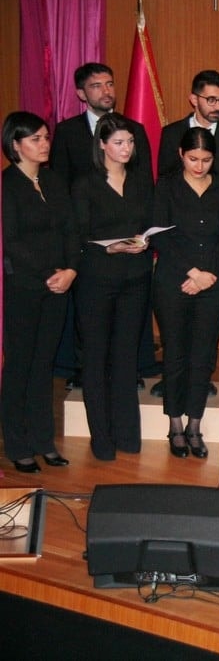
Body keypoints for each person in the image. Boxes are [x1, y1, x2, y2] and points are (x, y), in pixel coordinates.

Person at [50, 62, 154, 391]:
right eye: (97, 85)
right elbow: (60, 187)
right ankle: (86, 370)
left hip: (131, 248)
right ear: (81, 94)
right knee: (90, 322)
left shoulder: (135, 129)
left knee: (128, 321)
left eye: (110, 83)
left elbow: (145, 184)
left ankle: (129, 369)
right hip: (90, 248)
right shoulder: (68, 132)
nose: (106, 90)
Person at [71, 113, 155, 460]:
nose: (126, 148)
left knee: (125, 357)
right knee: (95, 357)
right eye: (118, 142)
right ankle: (101, 437)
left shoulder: (139, 181)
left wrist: (145, 242)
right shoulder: (85, 183)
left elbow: (149, 222)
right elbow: (78, 234)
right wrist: (107, 245)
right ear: (102, 144)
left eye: (131, 142)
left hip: (134, 278)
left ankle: (127, 433)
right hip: (96, 279)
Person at [1, 111, 78, 472]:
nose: (44, 144)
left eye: (46, 137)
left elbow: (70, 230)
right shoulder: (7, 185)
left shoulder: (54, 181)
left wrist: (71, 269)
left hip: (59, 284)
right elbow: (12, 241)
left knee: (45, 366)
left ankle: (43, 441)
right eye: (35, 139)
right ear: (15, 145)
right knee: (20, 365)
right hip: (25, 286)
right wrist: (50, 273)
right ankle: (17, 443)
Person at [150, 127, 219, 460]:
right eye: (193, 159)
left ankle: (195, 424)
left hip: (213, 281)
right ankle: (174, 424)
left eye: (207, 160)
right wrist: (193, 272)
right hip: (174, 280)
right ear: (181, 155)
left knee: (204, 355)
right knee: (175, 353)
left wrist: (207, 275)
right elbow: (158, 235)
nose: (200, 166)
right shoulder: (166, 187)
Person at [158, 69, 219, 185]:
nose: (218, 107)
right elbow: (165, 179)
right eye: (211, 100)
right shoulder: (172, 133)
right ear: (194, 100)